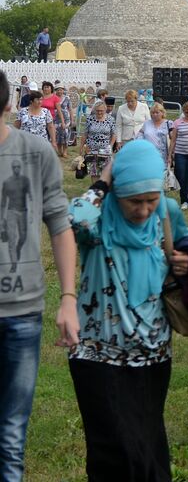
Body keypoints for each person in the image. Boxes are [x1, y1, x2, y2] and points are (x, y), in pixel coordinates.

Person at [67, 140, 188, 480]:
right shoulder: (95, 223)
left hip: (153, 353)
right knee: (112, 447)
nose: (143, 210)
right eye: (134, 201)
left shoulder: (167, 213)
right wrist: (108, 174)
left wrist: (184, 263)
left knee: (148, 440)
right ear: (116, 193)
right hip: (97, 356)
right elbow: (73, 216)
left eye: (151, 199)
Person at [0, 71, 79, 482]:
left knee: (10, 435)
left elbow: (60, 226)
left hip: (22, 309)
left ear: (7, 106)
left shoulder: (36, 153)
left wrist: (68, 298)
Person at [80, 100, 116, 179]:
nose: (99, 112)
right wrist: (81, 148)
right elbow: (85, 134)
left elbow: (113, 134)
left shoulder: (111, 119)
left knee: (105, 172)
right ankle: (95, 189)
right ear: (95, 110)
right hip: (91, 149)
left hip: (105, 149)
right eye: (98, 111)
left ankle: (103, 189)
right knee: (94, 172)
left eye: (101, 111)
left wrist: (111, 146)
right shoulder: (90, 119)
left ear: (105, 110)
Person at [114, 90, 151, 154]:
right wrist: (118, 141)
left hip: (141, 138)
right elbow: (118, 126)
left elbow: (148, 123)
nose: (130, 103)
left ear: (136, 99)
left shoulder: (144, 106)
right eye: (128, 101)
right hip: (126, 139)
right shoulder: (121, 108)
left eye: (132, 101)